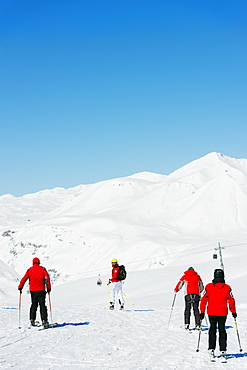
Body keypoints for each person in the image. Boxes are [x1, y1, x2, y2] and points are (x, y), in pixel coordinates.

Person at [200, 269, 237, 361]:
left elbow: (203, 299)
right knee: (222, 330)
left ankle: (211, 349)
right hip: (222, 312)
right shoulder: (227, 288)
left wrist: (202, 312)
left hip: (211, 312)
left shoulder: (209, 287)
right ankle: (223, 350)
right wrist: (233, 311)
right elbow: (231, 300)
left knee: (212, 330)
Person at [18, 257, 51, 328]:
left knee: (34, 305)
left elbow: (24, 279)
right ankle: (44, 321)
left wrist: (20, 287)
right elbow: (47, 278)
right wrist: (48, 288)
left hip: (33, 291)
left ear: (33, 262)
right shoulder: (42, 269)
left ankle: (32, 320)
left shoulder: (30, 270)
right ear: (39, 262)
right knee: (42, 305)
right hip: (41, 290)